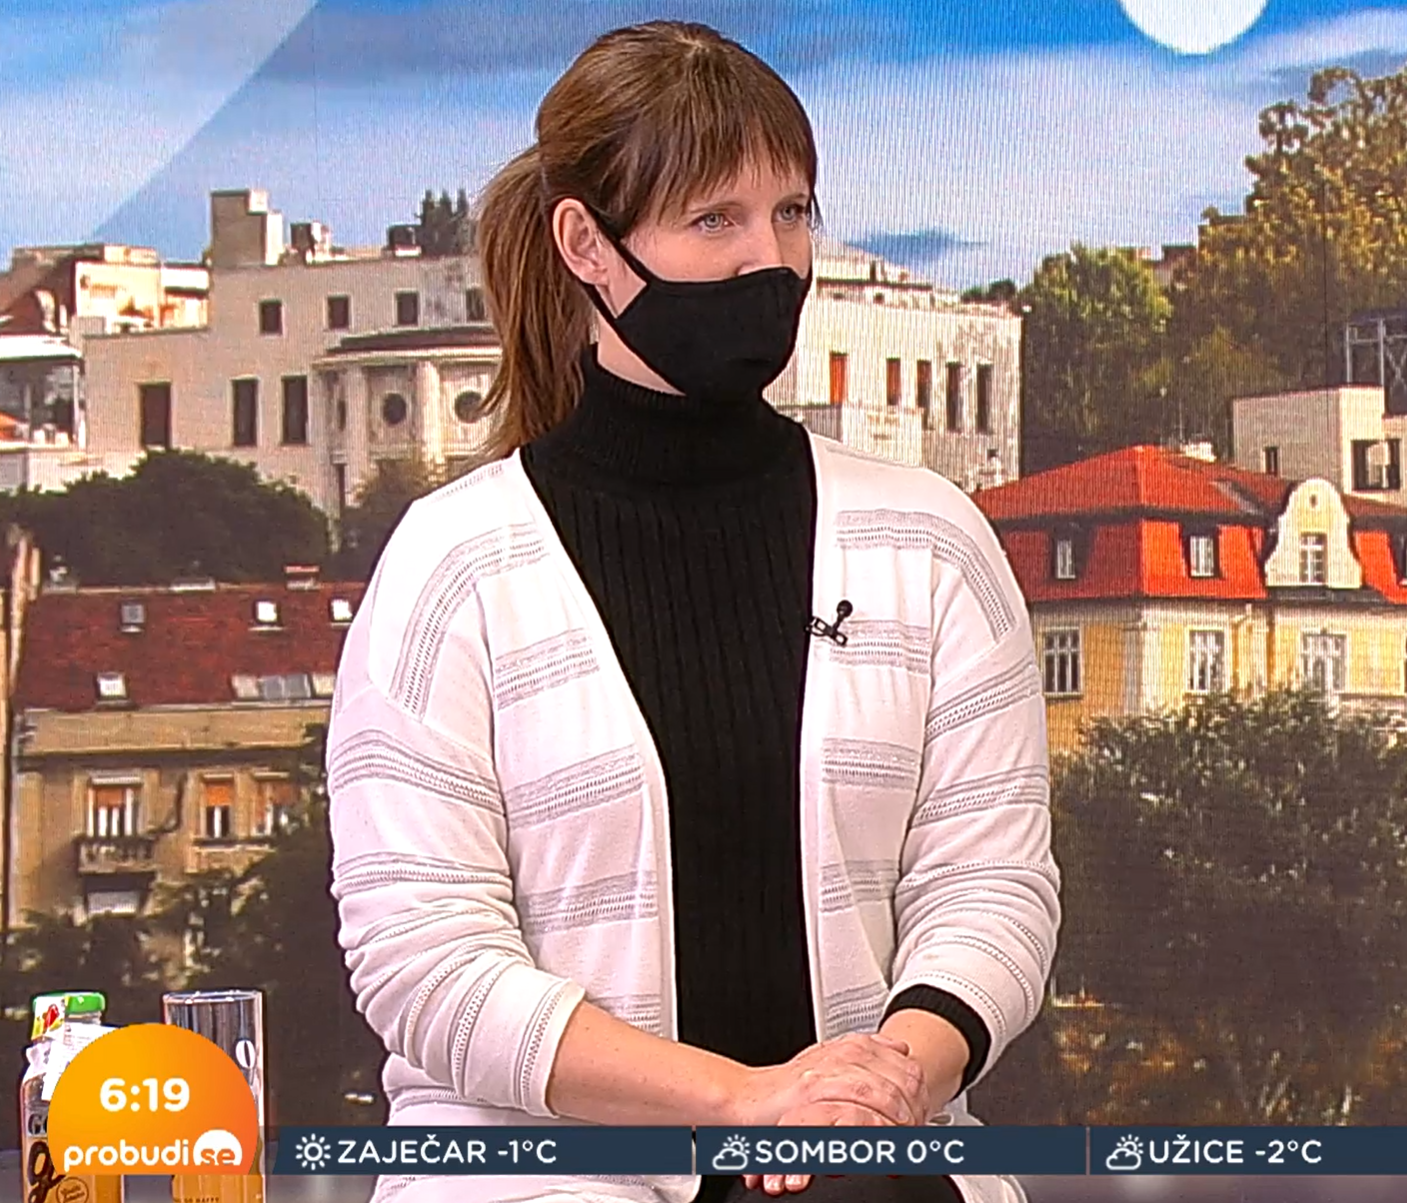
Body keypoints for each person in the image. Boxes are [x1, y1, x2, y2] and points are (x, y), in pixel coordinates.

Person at [325, 20, 1060, 1203]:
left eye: (792, 212)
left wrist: (878, 1091)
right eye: (715, 220)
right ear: (588, 245)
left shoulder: (930, 541)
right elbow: (426, 960)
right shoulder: (452, 567)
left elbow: (991, 887)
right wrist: (743, 1104)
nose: (769, 260)